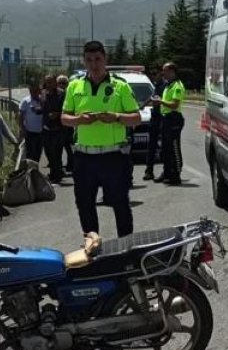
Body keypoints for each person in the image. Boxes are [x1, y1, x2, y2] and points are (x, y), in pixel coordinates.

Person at [61, 40, 141, 237]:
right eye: (89, 60)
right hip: (84, 157)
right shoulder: (74, 86)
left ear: (105, 59)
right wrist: (79, 119)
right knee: (84, 204)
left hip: (113, 156)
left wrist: (116, 117)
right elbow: (64, 118)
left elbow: (136, 118)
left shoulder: (119, 86)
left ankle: (126, 248)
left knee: (120, 203)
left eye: (97, 59)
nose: (94, 64)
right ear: (84, 62)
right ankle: (92, 247)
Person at [155, 61, 186, 185]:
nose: (163, 73)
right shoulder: (168, 85)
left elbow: (174, 104)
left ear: (172, 71)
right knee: (165, 148)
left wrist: (161, 102)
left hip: (174, 118)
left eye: (165, 70)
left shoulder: (177, 86)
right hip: (166, 118)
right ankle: (167, 172)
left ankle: (176, 174)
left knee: (174, 147)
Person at [41, 74, 66, 183]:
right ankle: (53, 172)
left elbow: (67, 109)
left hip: (58, 128)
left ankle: (57, 174)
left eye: (51, 82)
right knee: (48, 152)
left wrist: (57, 114)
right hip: (46, 128)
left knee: (57, 152)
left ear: (55, 83)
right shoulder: (43, 94)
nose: (49, 84)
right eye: (47, 82)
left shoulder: (61, 94)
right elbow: (43, 108)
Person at [142, 69, 166, 181]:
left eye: (155, 73)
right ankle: (149, 171)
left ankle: (166, 171)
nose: (153, 76)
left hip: (163, 118)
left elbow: (159, 100)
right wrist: (142, 105)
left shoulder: (165, 86)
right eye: (152, 74)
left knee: (164, 147)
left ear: (160, 74)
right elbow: (152, 97)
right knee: (151, 146)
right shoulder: (156, 85)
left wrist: (157, 101)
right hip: (155, 117)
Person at [18, 82, 46, 163]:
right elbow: (20, 117)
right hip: (30, 133)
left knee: (38, 154)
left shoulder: (43, 100)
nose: (35, 92)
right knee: (30, 155)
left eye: (37, 90)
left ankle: (35, 172)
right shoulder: (25, 101)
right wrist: (22, 129)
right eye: (33, 90)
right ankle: (30, 173)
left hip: (41, 132)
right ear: (30, 91)